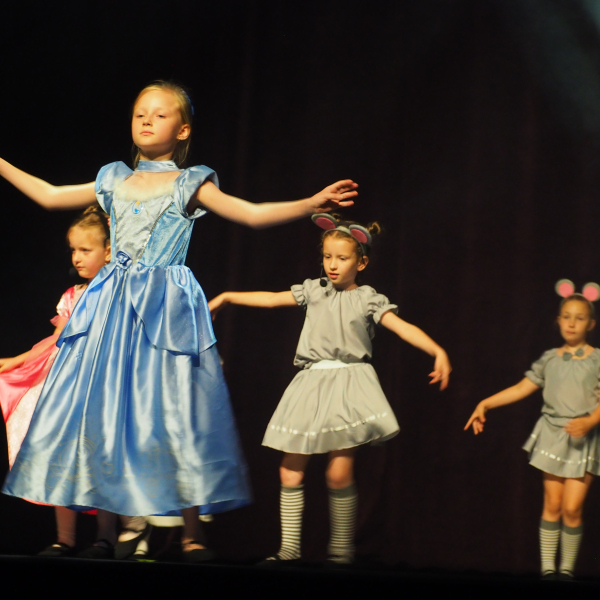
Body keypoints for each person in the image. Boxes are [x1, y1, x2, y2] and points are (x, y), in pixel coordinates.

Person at [0, 80, 358, 561]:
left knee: (175, 414)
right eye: (139, 113)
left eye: (160, 114)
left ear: (183, 129)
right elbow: (47, 195)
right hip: (109, 313)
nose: (147, 120)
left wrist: (308, 204)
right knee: (102, 413)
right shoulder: (113, 179)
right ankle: (107, 533)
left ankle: (192, 534)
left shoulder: (190, 183)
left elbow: (250, 214)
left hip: (164, 312)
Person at [208, 213, 451, 565]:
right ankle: (289, 549)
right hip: (310, 384)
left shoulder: (367, 298)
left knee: (338, 474)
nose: (332, 265)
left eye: (342, 258)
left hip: (348, 384)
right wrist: (229, 296)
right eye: (327, 257)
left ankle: (341, 551)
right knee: (289, 470)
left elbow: (401, 327)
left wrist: (436, 350)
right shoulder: (314, 290)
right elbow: (272, 298)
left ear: (361, 262)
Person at [465, 279, 600, 580]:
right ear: (558, 320)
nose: (572, 323)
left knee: (572, 508)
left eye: (579, 318)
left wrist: (591, 420)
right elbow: (521, 387)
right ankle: (548, 571)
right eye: (567, 317)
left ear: (591, 324)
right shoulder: (550, 358)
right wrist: (486, 403)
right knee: (552, 504)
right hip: (553, 434)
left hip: (583, 437)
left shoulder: (597, 359)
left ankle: (567, 571)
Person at [0, 206, 110, 556]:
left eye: (85, 250)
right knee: (63, 456)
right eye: (73, 250)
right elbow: (56, 340)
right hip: (66, 386)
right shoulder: (72, 295)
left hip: (102, 383)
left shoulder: (117, 292)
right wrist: (16, 361)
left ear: (108, 251)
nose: (77, 257)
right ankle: (65, 538)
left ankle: (106, 537)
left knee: (101, 458)